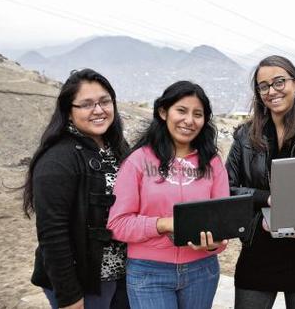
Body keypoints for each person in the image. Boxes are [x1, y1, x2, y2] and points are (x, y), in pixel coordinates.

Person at [107, 81, 230, 309]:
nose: (189, 120)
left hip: (203, 271)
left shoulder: (213, 163)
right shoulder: (138, 161)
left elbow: (223, 227)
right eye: (181, 110)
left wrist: (213, 245)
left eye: (198, 114)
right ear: (164, 112)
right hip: (148, 272)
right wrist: (164, 224)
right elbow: (118, 224)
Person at [226, 55, 295, 309]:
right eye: (263, 86)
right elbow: (226, 188)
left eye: (279, 82)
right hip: (258, 252)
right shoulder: (245, 136)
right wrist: (268, 198)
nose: (271, 91)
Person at [22, 69, 130, 309]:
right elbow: (53, 233)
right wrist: (70, 297)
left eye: (104, 101)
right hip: (83, 281)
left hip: (121, 275)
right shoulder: (57, 159)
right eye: (86, 104)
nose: (99, 110)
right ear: (68, 112)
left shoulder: (119, 148)